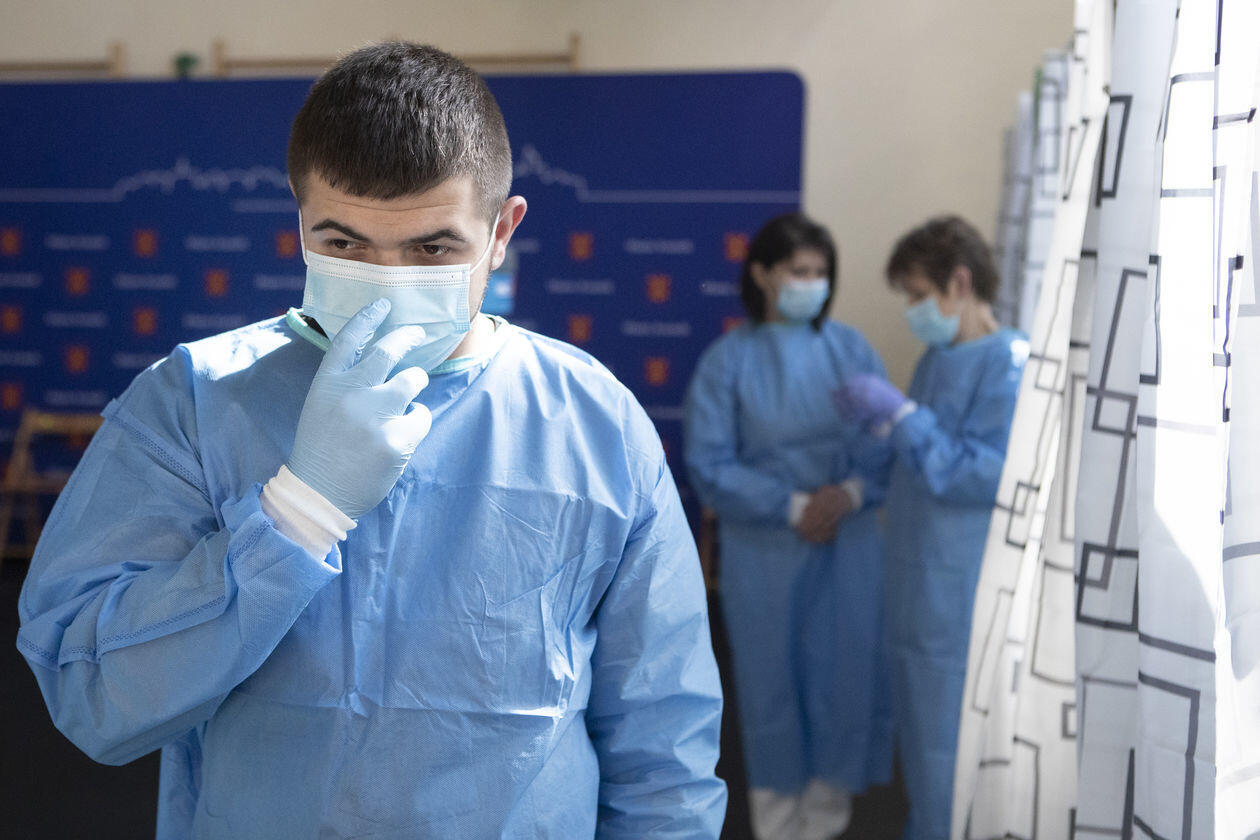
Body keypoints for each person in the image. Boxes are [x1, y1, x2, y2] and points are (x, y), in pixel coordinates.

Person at [16, 42, 726, 839]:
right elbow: (93, 697)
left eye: (432, 249)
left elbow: (664, 749)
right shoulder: (193, 403)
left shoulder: (595, 424)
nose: (388, 283)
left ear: (501, 231)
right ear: (300, 226)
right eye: (345, 245)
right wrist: (297, 514)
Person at [684, 213, 893, 840]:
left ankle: (827, 822)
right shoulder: (729, 362)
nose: (812, 284)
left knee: (843, 678)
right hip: (765, 549)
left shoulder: (850, 351)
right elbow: (710, 464)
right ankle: (777, 823)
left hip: (848, 544)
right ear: (762, 274)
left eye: (821, 272)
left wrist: (849, 494)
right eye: (799, 271)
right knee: (770, 682)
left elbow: (884, 441)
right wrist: (793, 506)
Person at [835, 215, 1028, 840]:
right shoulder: (935, 359)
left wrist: (903, 417)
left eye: (919, 295)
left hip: (962, 599)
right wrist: (874, 444)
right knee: (923, 751)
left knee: (954, 753)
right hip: (918, 592)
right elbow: (915, 460)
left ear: (960, 283)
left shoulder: (1010, 364)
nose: (912, 310)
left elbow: (986, 474)